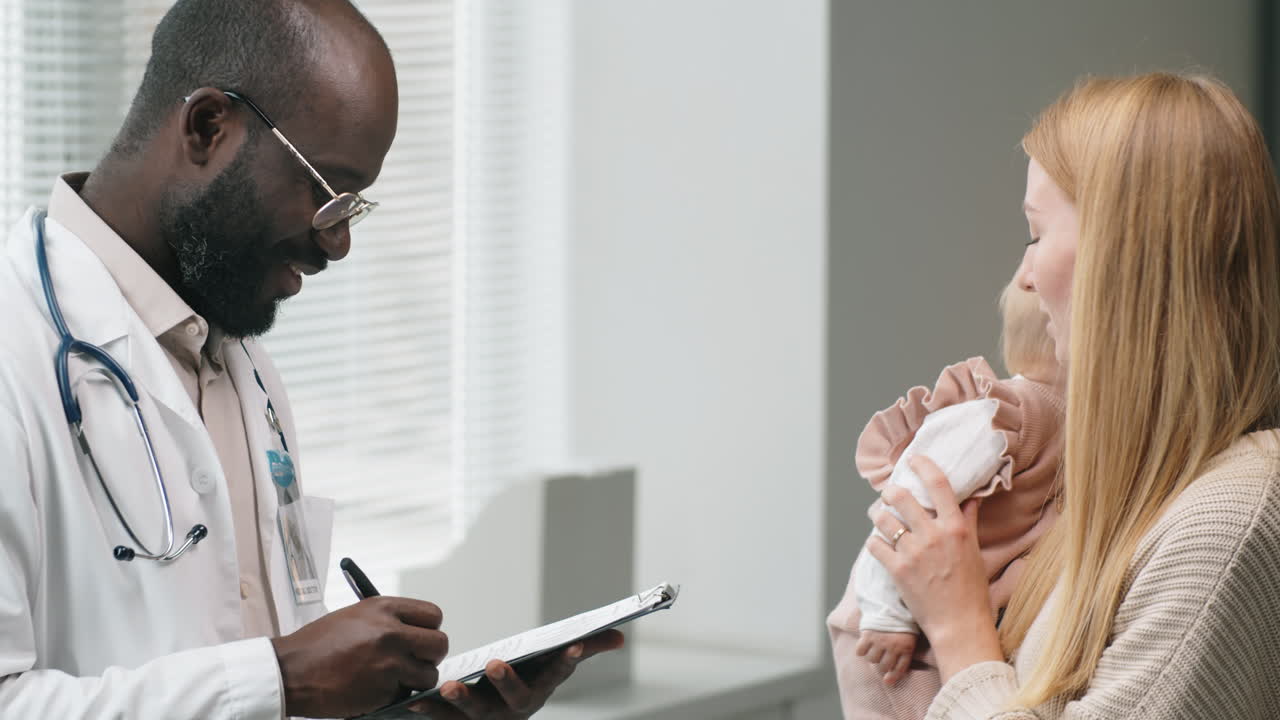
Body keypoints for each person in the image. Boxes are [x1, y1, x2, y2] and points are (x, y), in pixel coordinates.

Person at [0, 1, 619, 718]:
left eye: (352, 207)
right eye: (326, 193)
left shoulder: (243, 366)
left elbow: (254, 682)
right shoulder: (17, 352)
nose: (336, 244)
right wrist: (283, 678)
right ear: (208, 127)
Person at [834, 72, 1280, 719]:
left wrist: (958, 627)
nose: (1024, 275)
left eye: (1036, 234)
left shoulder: (1229, 521)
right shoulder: (1128, 491)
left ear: (1120, 256)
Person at [828, 280, 1065, 719]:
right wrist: (885, 616)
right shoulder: (1001, 418)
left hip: (936, 624)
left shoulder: (1067, 422)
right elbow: (902, 506)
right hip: (895, 633)